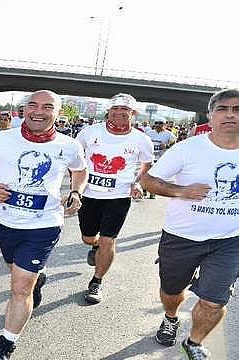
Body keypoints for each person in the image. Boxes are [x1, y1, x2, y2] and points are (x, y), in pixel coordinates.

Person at [0, 90, 87, 359]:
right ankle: (39, 277)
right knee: (17, 273)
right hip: (4, 223)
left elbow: (80, 170)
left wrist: (76, 191)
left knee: (21, 288)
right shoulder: (1, 139)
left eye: (47, 107)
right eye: (32, 105)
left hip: (44, 226)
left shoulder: (69, 145)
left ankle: (5, 345)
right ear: (24, 109)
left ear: (57, 114)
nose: (38, 111)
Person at [139, 88, 239, 359]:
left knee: (214, 301)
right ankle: (171, 317)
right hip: (181, 238)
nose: (231, 115)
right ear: (211, 115)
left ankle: (194, 342)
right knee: (172, 291)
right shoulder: (188, 148)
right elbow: (148, 180)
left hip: (230, 241)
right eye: (223, 109)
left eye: (237, 110)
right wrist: (181, 191)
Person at [75, 93, 154, 304]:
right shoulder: (90, 132)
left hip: (118, 197)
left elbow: (147, 166)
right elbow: (74, 157)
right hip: (89, 195)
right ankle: (95, 245)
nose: (119, 113)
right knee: (88, 238)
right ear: (108, 111)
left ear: (133, 114)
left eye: (125, 110)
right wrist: (76, 185)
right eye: (115, 109)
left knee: (109, 240)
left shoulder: (141, 139)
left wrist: (138, 183)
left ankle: (96, 281)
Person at [145, 118, 176, 199]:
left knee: (155, 176)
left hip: (161, 158)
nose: (158, 124)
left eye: (160, 123)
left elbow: (174, 143)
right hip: (149, 157)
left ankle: (152, 192)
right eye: (156, 123)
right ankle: (144, 189)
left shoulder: (168, 134)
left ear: (165, 124)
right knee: (146, 174)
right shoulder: (149, 133)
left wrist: (167, 146)